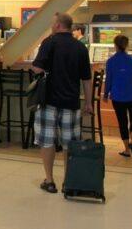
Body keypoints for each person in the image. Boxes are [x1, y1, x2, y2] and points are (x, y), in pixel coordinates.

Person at [31, 12, 93, 194]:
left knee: (47, 141)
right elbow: (86, 79)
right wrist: (88, 103)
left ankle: (49, 180)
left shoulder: (49, 43)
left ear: (58, 25)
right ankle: (68, 181)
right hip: (71, 102)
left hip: (48, 100)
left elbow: (37, 67)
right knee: (70, 144)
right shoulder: (80, 48)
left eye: (52, 23)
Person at [104, 35, 132, 157]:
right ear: (127, 45)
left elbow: (109, 81)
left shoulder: (110, 62)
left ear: (115, 45)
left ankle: (127, 149)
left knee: (122, 122)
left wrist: (106, 94)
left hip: (118, 97)